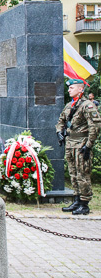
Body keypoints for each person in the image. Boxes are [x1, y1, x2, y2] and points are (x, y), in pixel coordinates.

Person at [56, 79, 100, 215]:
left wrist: (89, 145)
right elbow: (61, 121)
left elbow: (95, 126)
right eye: (69, 88)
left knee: (83, 173)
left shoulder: (88, 106)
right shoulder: (70, 105)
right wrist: (59, 132)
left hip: (81, 144)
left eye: (72, 88)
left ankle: (84, 203)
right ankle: (76, 199)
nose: (69, 90)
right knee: (73, 173)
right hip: (70, 144)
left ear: (81, 90)